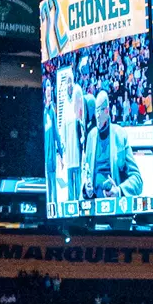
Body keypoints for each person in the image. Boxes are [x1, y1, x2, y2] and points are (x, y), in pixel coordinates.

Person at [81, 90, 143, 199]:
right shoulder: (91, 136)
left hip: (115, 206)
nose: (98, 115)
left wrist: (119, 190)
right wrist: (86, 188)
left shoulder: (120, 135)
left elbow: (137, 180)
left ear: (107, 111)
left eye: (101, 110)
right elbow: (85, 174)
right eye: (96, 111)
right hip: (94, 207)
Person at [55, 63, 86, 204]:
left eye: (70, 82)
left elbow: (80, 118)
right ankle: (71, 196)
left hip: (76, 142)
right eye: (67, 83)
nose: (69, 85)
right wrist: (62, 142)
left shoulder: (76, 97)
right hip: (68, 141)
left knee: (77, 169)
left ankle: (78, 195)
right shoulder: (65, 103)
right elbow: (62, 125)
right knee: (69, 169)